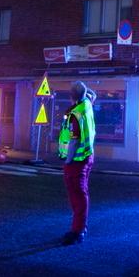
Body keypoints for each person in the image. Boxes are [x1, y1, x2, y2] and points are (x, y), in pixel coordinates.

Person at [57, 81, 96, 245]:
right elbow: (93, 95)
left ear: (70, 95)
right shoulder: (87, 104)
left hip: (76, 161)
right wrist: (84, 91)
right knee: (82, 193)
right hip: (88, 156)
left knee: (77, 196)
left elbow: (74, 140)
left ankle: (78, 230)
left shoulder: (75, 114)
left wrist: (68, 160)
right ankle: (81, 226)